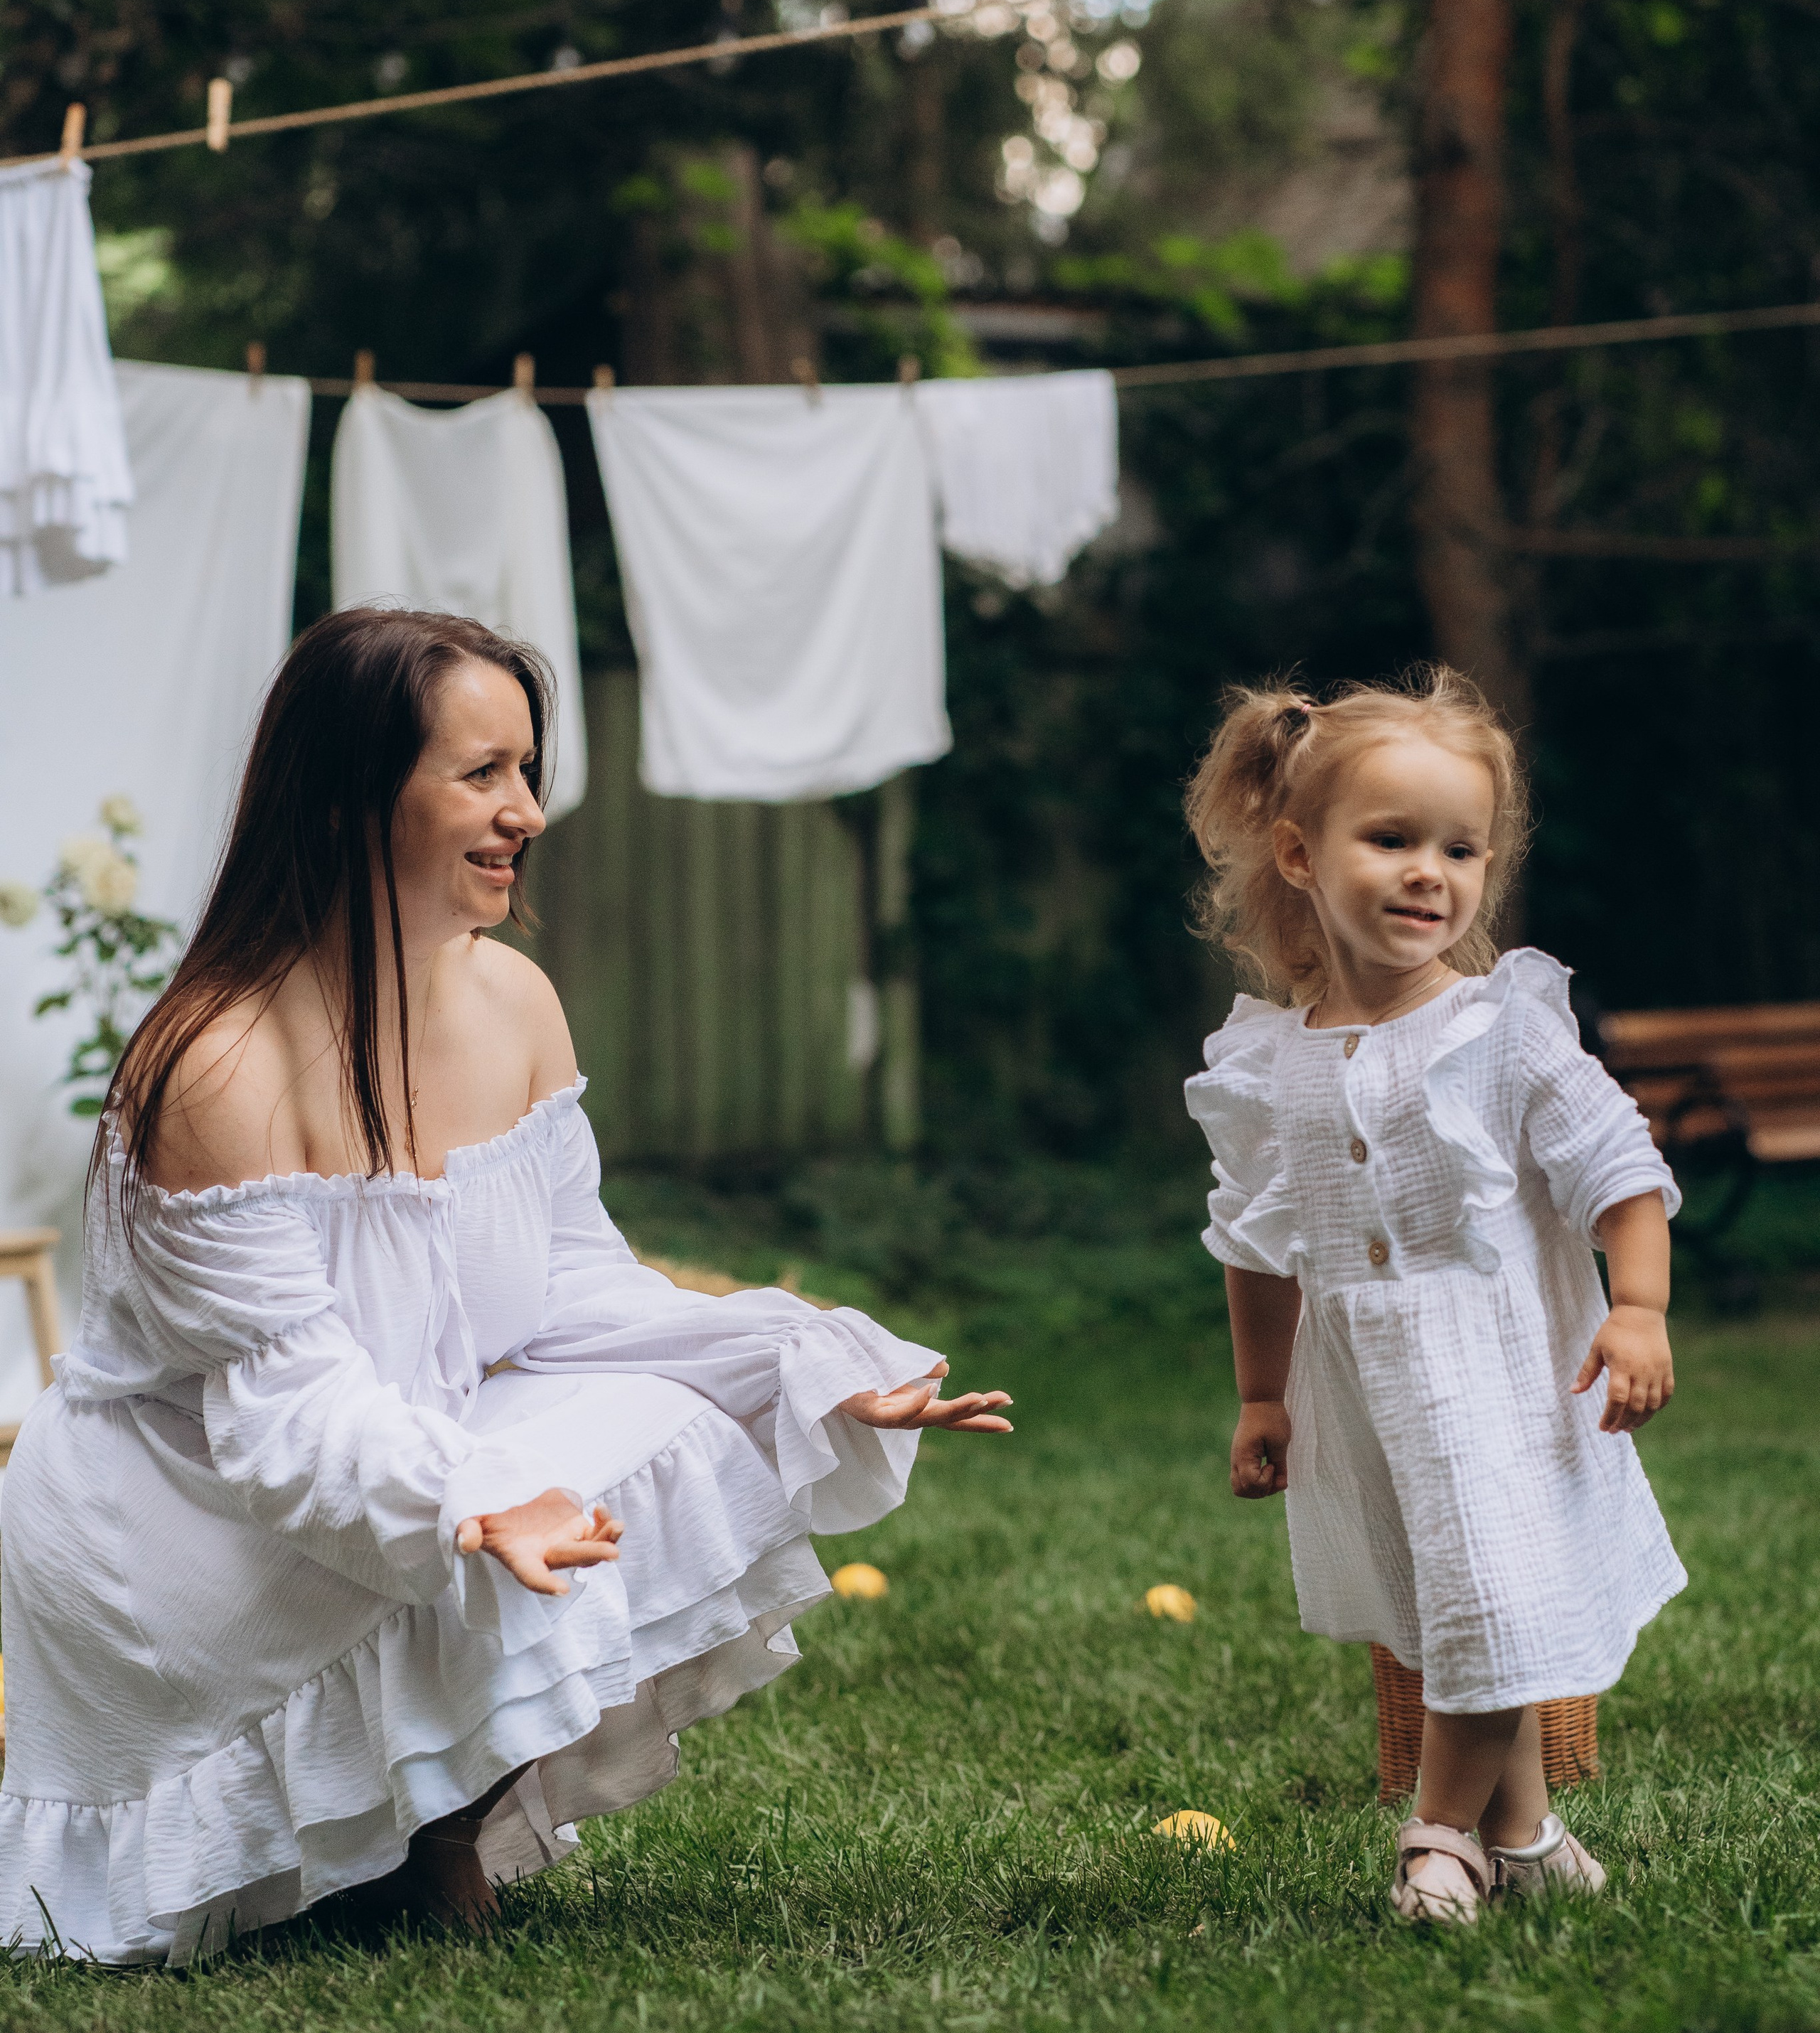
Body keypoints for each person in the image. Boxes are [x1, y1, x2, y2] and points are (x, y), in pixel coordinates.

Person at [0, 608, 1010, 1964]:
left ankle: (434, 1835)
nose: (526, 812)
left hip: (380, 1453)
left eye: (527, 772)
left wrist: (797, 1363)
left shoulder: (517, 1000)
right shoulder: (217, 1064)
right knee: (506, 1512)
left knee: (682, 1430)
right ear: (355, 793)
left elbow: (571, 1293)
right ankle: (370, 1847)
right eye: (481, 774)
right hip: (191, 1513)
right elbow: (281, 1414)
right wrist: (472, 1499)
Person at [1181, 667, 1683, 1926]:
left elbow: (1618, 1167)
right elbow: (1256, 1242)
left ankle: (1440, 1836)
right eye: (1391, 840)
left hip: (1505, 1371)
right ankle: (1526, 1834)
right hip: (1366, 1390)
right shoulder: (1266, 1060)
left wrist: (1639, 1309)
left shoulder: (1500, 1027)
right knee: (1444, 1610)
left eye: (1459, 848)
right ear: (1299, 854)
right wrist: (1261, 1397)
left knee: (1493, 1595)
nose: (1429, 874)